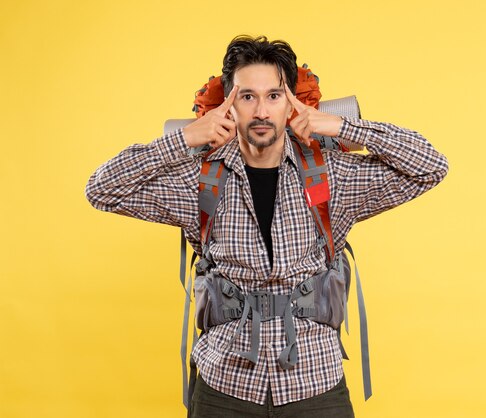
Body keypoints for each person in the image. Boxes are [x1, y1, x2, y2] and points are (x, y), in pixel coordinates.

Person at [85, 35, 449, 417]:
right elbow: (102, 190)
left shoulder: (331, 175)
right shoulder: (199, 181)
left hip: (315, 384)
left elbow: (430, 166)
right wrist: (186, 138)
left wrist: (343, 126)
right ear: (228, 105)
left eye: (274, 96)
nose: (261, 110)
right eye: (247, 97)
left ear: (291, 103)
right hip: (224, 386)